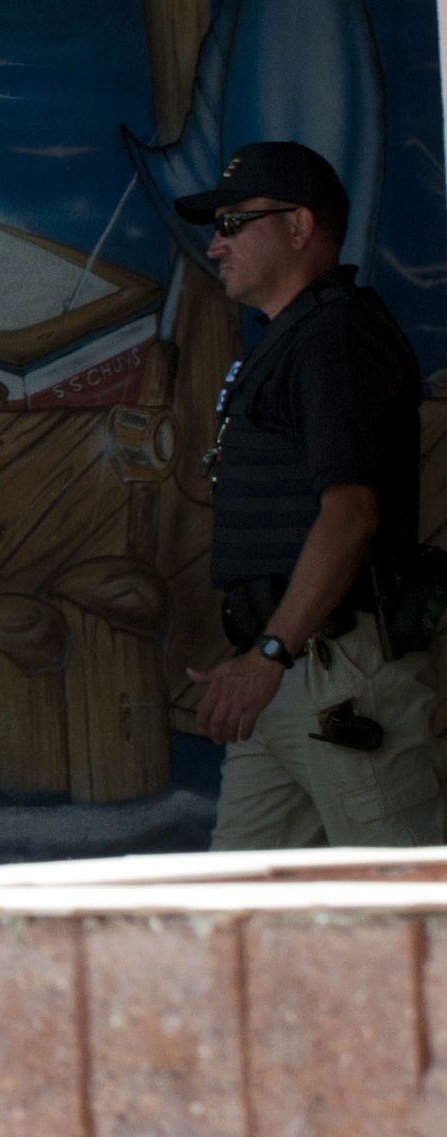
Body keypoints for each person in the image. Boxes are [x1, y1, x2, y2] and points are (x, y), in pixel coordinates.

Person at [177, 142, 442, 847]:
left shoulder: (335, 337)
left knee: (407, 915)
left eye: (233, 223)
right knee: (244, 921)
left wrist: (270, 650)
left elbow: (350, 513)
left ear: (299, 226)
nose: (215, 245)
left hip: (333, 671)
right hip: (288, 673)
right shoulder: (292, 339)